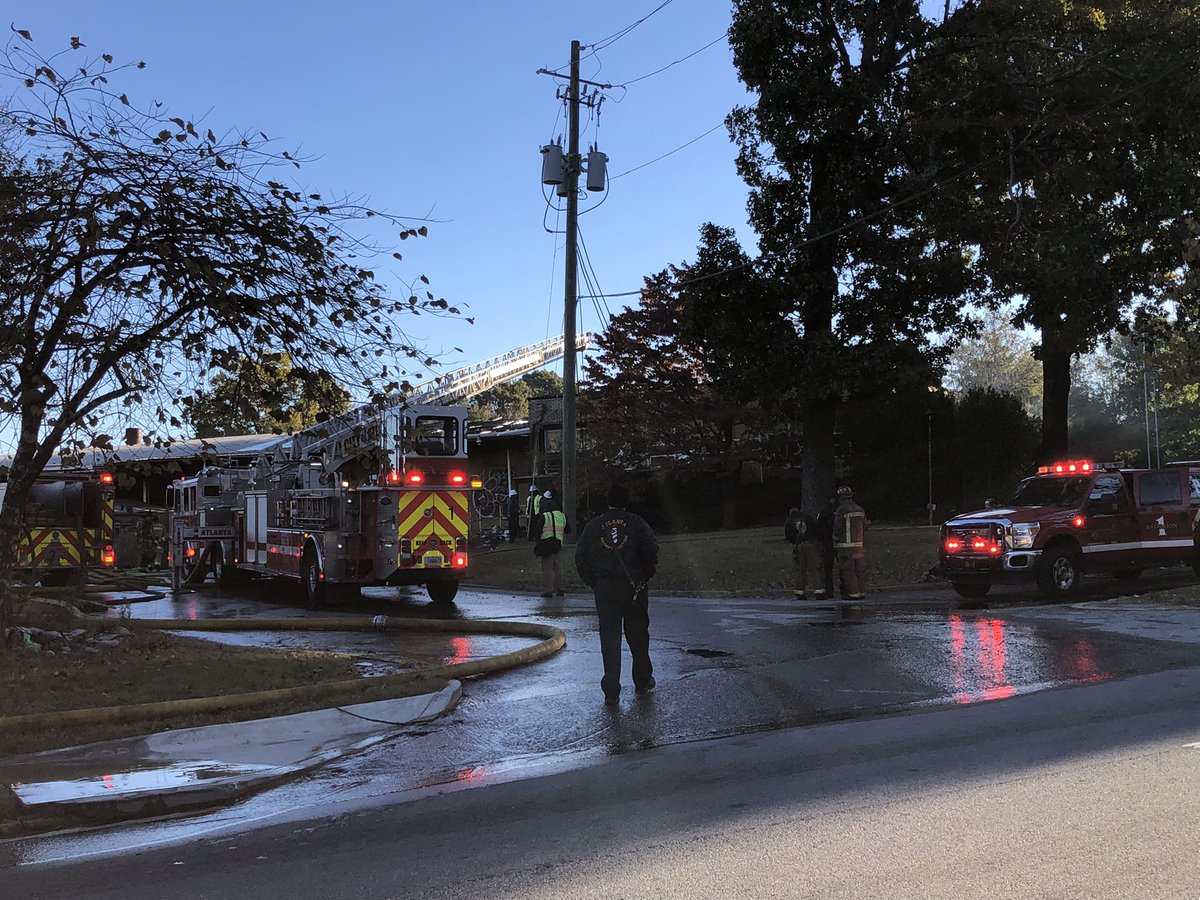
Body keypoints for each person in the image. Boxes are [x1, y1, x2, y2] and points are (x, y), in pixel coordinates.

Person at [575, 483, 659, 706]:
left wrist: (594, 582)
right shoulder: (637, 523)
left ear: (608, 501)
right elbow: (651, 550)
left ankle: (611, 688)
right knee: (639, 637)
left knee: (610, 640)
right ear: (626, 501)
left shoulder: (594, 526)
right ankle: (642, 680)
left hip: (605, 590)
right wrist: (644, 576)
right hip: (634, 589)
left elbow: (581, 557)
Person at [833, 485, 868, 601]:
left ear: (840, 498)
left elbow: (838, 528)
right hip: (859, 546)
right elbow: (865, 526)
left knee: (849, 572)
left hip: (845, 548)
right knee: (859, 571)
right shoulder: (860, 509)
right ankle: (862, 593)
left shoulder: (841, 510)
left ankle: (854, 595)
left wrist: (835, 538)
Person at [534, 491, 569, 597]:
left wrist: (538, 540)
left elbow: (537, 530)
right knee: (558, 567)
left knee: (547, 569)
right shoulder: (562, 515)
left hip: (547, 544)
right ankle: (560, 588)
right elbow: (568, 529)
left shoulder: (545, 515)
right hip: (558, 545)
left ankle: (548, 590)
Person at [785, 505, 820, 600]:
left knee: (800, 569)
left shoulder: (789, 521)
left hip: (799, 546)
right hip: (811, 544)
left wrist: (794, 542)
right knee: (816, 568)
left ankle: (800, 592)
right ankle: (819, 592)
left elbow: (788, 535)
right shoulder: (808, 517)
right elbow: (816, 529)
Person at [814, 494, 839, 600]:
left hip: (827, 542)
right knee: (843, 567)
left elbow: (818, 528)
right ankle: (845, 589)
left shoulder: (823, 512)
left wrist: (820, 542)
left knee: (827, 568)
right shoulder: (839, 511)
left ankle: (829, 590)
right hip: (839, 542)